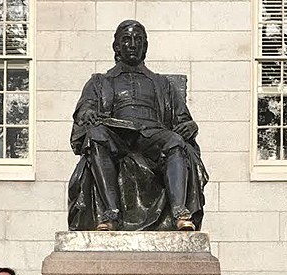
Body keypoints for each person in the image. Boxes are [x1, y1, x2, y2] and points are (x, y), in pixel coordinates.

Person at [68, 20, 208, 232]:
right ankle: (111, 212)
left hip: (153, 134)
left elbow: (182, 118)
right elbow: (85, 108)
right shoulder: (100, 81)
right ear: (116, 47)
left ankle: (180, 212)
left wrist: (191, 125)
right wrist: (87, 112)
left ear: (145, 46)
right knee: (96, 135)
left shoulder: (163, 84)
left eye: (138, 40)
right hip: (116, 133)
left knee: (175, 141)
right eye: (126, 39)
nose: (132, 44)